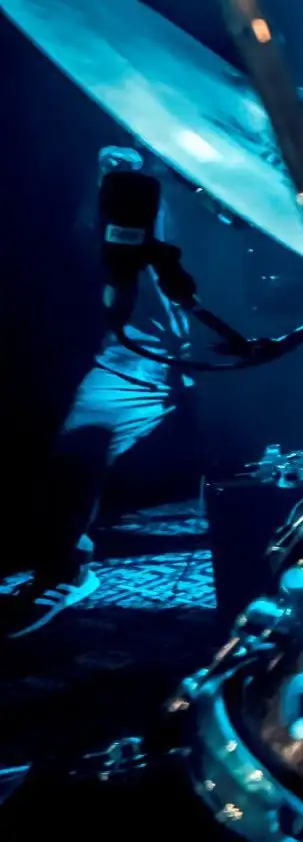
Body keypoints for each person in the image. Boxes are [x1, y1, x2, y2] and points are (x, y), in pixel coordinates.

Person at [1, 146, 191, 638]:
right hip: (140, 354)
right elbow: (90, 246)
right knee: (78, 448)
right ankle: (65, 570)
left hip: (246, 349)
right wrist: (106, 190)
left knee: (259, 473)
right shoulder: (139, 179)